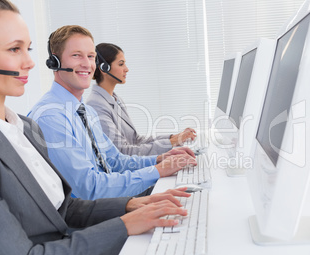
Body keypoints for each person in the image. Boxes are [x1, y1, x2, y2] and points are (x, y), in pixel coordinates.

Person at [0, 1, 192, 255]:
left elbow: (64, 206)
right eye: (14, 49)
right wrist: (124, 225)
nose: (29, 62)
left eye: (28, 49)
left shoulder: (25, 127)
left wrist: (130, 205)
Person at [28, 25, 197, 200]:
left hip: (109, 200)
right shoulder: (51, 117)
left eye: (91, 56)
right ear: (54, 62)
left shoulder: (86, 112)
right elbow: (89, 188)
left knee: (189, 195)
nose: (87, 64)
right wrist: (156, 171)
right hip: (92, 215)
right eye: (76, 55)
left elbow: (116, 160)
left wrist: (160, 159)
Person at [86, 43, 197, 156]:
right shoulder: (96, 105)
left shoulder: (114, 99)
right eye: (121, 64)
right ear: (104, 68)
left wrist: (173, 138)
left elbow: (136, 141)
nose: (126, 69)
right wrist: (172, 142)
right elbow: (123, 152)